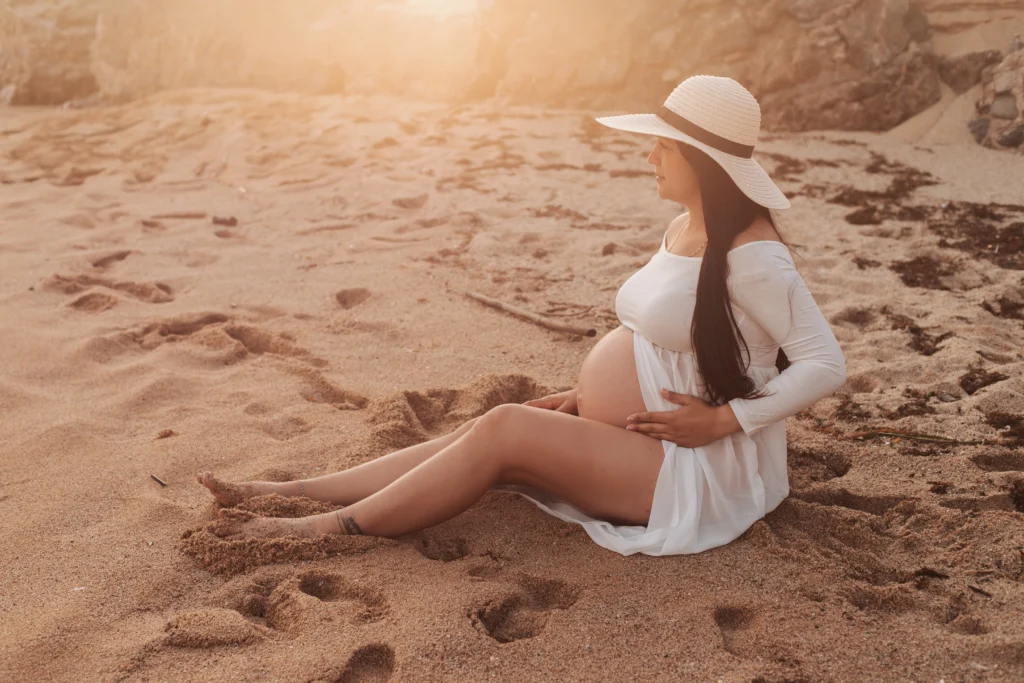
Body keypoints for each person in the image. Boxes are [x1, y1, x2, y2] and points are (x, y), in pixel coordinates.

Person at [197, 75, 847, 554]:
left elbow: (824, 363)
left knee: (503, 430)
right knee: (490, 430)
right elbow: (684, 340)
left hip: (697, 471)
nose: (650, 156)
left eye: (664, 148)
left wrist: (721, 420)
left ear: (702, 162)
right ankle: (304, 489)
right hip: (645, 437)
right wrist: (588, 393)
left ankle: (314, 529)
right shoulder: (687, 223)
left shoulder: (757, 256)